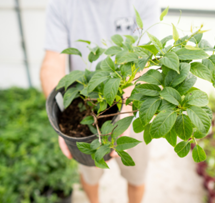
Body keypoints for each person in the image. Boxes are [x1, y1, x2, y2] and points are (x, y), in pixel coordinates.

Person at [40, 1, 159, 203]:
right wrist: (57, 115)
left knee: (136, 176)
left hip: (133, 104)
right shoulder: (62, 4)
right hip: (83, 99)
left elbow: (143, 60)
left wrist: (127, 109)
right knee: (89, 175)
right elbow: (52, 63)